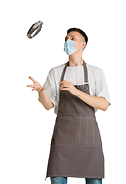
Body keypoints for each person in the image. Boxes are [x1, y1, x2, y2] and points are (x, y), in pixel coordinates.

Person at [27, 27, 111, 184]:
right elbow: (48, 105)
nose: (68, 41)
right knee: (57, 178)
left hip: (89, 137)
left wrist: (76, 91)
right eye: (66, 39)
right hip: (63, 137)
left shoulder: (95, 72)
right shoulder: (56, 72)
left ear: (83, 45)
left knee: (94, 181)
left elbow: (104, 104)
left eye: (72, 39)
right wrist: (41, 92)